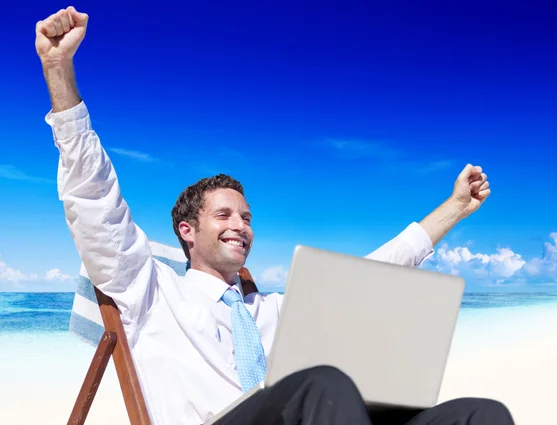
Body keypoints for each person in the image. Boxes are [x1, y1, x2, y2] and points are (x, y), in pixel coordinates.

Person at [35, 7, 513, 425]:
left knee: (479, 414)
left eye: (246, 217)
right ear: (186, 231)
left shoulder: (276, 311)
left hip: (300, 410)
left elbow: (374, 273)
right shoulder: (149, 290)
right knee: (322, 385)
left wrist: (453, 209)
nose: (240, 226)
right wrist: (59, 71)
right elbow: (95, 202)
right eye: (223, 215)